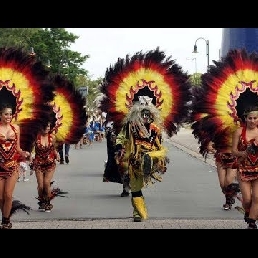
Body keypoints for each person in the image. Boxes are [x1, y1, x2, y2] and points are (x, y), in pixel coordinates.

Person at [98, 48, 192, 222]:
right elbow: (121, 137)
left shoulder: (156, 129)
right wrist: (119, 145)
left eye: (148, 114)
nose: (145, 117)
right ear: (136, 112)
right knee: (136, 187)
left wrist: (156, 156)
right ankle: (137, 213)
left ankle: (146, 170)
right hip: (133, 159)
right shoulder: (130, 125)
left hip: (150, 156)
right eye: (143, 114)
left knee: (148, 169)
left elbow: (160, 145)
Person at [0, 102, 30, 229]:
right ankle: (6, 215)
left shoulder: (16, 128)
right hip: (0, 166)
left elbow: (17, 147)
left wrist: (24, 153)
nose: (9, 116)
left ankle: (6, 222)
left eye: (10, 114)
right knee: (1, 198)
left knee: (8, 195)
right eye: (6, 114)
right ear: (0, 115)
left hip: (12, 165)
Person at [232, 106, 258, 229]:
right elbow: (233, 151)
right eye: (250, 118)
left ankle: (252, 222)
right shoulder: (238, 131)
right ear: (246, 119)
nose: (252, 121)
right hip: (243, 169)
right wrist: (244, 153)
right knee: (247, 200)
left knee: (257, 197)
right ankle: (248, 212)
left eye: (255, 118)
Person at [30, 120, 60, 212]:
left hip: (50, 164)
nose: (47, 128)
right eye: (45, 126)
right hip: (38, 163)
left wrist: (57, 154)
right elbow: (31, 150)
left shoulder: (52, 137)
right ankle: (42, 201)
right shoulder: (35, 137)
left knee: (46, 183)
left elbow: (54, 148)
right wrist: (30, 159)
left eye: (48, 126)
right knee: (41, 185)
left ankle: (47, 202)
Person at [206, 140, 238, 210]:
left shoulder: (237, 132)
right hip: (221, 161)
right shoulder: (219, 132)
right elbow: (209, 146)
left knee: (228, 182)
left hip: (233, 161)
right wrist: (217, 153)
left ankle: (228, 202)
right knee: (222, 185)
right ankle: (231, 194)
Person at [103, 120, 130, 197]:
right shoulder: (111, 125)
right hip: (120, 149)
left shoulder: (132, 121)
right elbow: (110, 139)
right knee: (123, 167)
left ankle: (129, 187)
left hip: (131, 147)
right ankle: (126, 189)